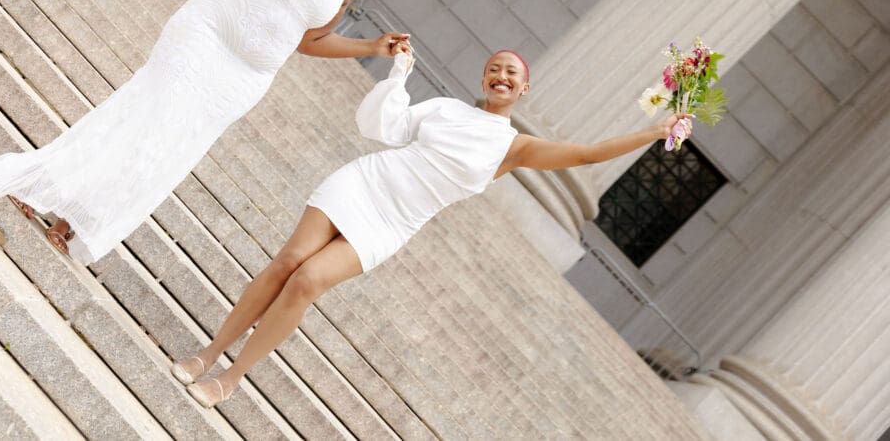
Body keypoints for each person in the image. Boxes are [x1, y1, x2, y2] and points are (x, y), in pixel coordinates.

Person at [171, 47, 693, 407]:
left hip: (391, 222)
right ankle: (209, 353)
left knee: (308, 282)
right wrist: (397, 75)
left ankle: (234, 378)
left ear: (524, 87)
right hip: (361, 184)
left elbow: (585, 154)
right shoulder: (444, 109)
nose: (501, 76)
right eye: (494, 68)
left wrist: (654, 131)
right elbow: (390, 126)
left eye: (512, 72)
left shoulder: (514, 147)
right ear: (483, 79)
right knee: (288, 263)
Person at [0, 0, 415, 262]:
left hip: (246, 77)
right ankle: (43, 187)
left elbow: (308, 41)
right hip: (208, 31)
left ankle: (77, 222)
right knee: (147, 113)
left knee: (170, 144)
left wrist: (372, 48)